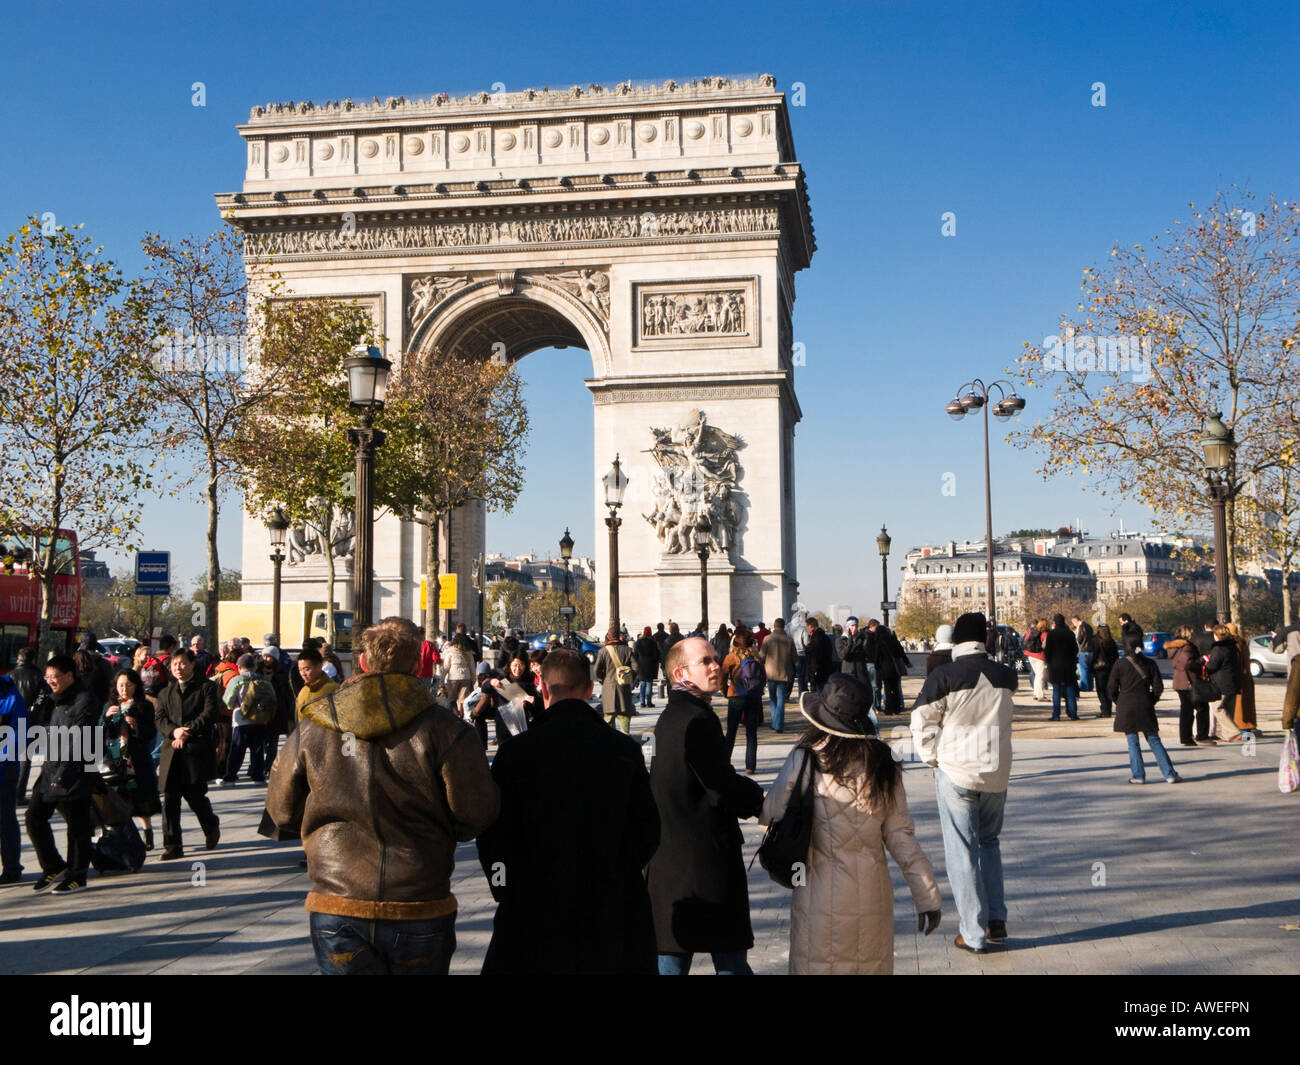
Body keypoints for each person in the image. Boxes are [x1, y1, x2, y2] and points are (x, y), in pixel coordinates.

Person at [267, 616, 499, 975]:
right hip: (418, 898)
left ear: (362, 662)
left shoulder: (313, 727)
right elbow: (475, 813)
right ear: (417, 663)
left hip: (337, 899)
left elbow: (281, 812)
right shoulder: (446, 730)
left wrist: (320, 824)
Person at [476, 649, 659, 973]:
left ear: (543, 689)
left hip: (533, 908)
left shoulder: (515, 755)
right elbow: (648, 830)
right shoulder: (624, 750)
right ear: (590, 689)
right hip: (611, 908)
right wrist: (621, 871)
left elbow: (493, 835)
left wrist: (503, 885)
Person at [761, 673, 941, 973]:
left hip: (814, 890)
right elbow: (901, 837)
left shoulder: (805, 758)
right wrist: (927, 898)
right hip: (872, 895)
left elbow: (770, 815)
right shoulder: (883, 763)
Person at [647, 636, 764, 975]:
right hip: (704, 863)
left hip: (672, 864)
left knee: (671, 959)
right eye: (707, 661)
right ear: (681, 673)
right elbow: (720, 783)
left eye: (716, 658)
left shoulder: (672, 716)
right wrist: (763, 803)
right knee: (729, 963)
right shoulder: (696, 720)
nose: (718, 666)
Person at [910, 612, 1015, 955]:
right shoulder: (1005, 676)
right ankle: (995, 919)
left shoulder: (945, 676)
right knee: (989, 843)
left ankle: (973, 931)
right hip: (996, 770)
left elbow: (920, 720)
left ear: (956, 640)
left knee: (962, 850)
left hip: (957, 769)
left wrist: (930, 757)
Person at [25, 655, 99, 893]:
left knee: (77, 827)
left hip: (75, 771)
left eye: (55, 677)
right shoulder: (54, 698)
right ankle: (53, 865)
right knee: (34, 817)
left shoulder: (85, 700)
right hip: (51, 769)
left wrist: (63, 775)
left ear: (69, 675)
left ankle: (77, 876)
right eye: (48, 677)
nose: (51, 681)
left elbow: (79, 741)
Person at [154, 649, 222, 860]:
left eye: (183, 663)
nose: (179, 668)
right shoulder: (166, 692)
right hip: (172, 751)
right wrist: (174, 731)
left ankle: (211, 826)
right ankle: (173, 845)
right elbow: (160, 719)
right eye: (175, 664)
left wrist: (188, 731)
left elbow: (209, 714)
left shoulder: (206, 687)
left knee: (195, 797)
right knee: (170, 801)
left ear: (192, 664)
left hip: (195, 751)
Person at [1108, 635, 1180, 784]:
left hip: (1126, 705)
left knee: (1132, 742)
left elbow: (1111, 688)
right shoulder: (1150, 663)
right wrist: (1151, 700)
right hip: (1145, 703)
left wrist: (1118, 701)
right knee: (1154, 740)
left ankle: (1138, 775)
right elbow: (1158, 687)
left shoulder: (1120, 664)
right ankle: (1169, 773)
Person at [102, 668, 161, 849]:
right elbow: (98, 732)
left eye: (128, 685)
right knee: (118, 800)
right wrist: (105, 718)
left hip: (136, 760)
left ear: (136, 686)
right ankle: (121, 837)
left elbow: (151, 732)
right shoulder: (110, 705)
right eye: (121, 685)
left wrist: (136, 727)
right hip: (115, 761)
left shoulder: (144, 706)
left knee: (141, 800)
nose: (124, 689)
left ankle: (147, 832)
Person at [221, 654, 271, 784]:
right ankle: (258, 776)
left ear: (239, 666)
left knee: (237, 749)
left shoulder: (237, 679)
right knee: (258, 749)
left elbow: (228, 701)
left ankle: (230, 777)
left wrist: (234, 706)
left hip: (240, 720)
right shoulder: (264, 680)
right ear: (254, 666)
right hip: (260, 720)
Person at [721, 630, 764, 774]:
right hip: (753, 697)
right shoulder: (756, 657)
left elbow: (722, 677)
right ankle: (750, 766)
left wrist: (725, 691)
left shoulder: (731, 657)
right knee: (751, 733)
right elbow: (763, 677)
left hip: (736, 695)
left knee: (731, 732)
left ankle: (725, 763)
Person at [0, 674, 28, 883]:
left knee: (5, 820)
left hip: (4, 770)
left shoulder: (11, 696)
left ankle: (12, 868)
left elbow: (20, 734)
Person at [1165, 626, 1209, 744]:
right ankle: (1201, 735)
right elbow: (1187, 663)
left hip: (1180, 681)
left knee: (1186, 710)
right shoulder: (1188, 647)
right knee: (1201, 708)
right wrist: (1201, 660)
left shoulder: (1176, 647)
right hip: (1189, 681)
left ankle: (1186, 737)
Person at [1206, 624, 1244, 742]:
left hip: (1221, 683)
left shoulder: (1218, 649)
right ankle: (1228, 735)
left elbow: (1212, 666)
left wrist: (1206, 664)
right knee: (1228, 709)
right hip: (1234, 681)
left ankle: (1234, 732)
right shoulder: (1233, 647)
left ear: (1217, 635)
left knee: (1218, 708)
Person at [594, 628, 635, 734]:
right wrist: (630, 678)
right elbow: (636, 667)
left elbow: (596, 669)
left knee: (608, 721)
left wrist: (603, 679)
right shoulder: (628, 650)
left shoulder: (603, 651)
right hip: (624, 687)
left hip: (608, 687)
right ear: (620, 636)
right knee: (625, 723)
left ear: (608, 636)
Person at [757, 617, 795, 733]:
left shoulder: (767, 639)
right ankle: (778, 724)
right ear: (784, 626)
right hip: (784, 672)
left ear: (774, 626)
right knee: (781, 699)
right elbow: (794, 658)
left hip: (771, 672)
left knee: (772, 698)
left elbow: (761, 656)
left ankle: (775, 722)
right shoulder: (789, 640)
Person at [1044, 614, 1080, 721]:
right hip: (1068, 664)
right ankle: (1073, 713)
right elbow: (1075, 649)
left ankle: (1056, 714)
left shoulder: (1052, 634)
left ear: (1055, 622)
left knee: (1056, 690)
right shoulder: (1070, 634)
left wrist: (1049, 661)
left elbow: (1048, 650)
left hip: (1055, 665)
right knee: (1070, 689)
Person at [1225, 622, 1258, 735]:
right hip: (1246, 678)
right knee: (1247, 705)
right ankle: (1247, 728)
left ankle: (1242, 729)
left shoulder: (1234, 644)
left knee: (1239, 707)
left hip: (1239, 678)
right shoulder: (1242, 642)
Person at [440, 633, 476, 717]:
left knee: (452, 699)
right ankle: (461, 715)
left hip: (453, 677)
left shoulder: (450, 651)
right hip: (466, 677)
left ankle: (456, 715)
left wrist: (442, 680)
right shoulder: (468, 653)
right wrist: (473, 680)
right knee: (463, 700)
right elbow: (472, 668)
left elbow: (445, 667)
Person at [1092, 624, 1120, 720]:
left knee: (1101, 690)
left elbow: (1094, 654)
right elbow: (1116, 655)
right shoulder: (1111, 641)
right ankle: (1108, 708)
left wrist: (1091, 665)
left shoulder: (1096, 641)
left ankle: (1105, 710)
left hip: (1099, 668)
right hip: (1110, 667)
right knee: (1109, 689)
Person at [633, 626, 661, 708]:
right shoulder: (653, 642)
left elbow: (635, 655)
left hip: (641, 665)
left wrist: (638, 663)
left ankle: (642, 702)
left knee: (642, 684)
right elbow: (656, 655)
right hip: (650, 665)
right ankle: (649, 702)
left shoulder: (638, 642)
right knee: (649, 684)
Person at [805, 616, 833, 691]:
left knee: (817, 691)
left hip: (818, 670)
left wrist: (814, 670)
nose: (806, 629)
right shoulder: (824, 637)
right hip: (825, 668)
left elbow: (816, 655)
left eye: (806, 627)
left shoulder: (816, 638)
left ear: (811, 626)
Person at [1023, 619, 1048, 702]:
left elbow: (1024, 641)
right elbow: (1046, 646)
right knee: (1040, 675)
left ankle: (1036, 693)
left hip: (1030, 654)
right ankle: (1040, 695)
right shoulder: (1045, 633)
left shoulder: (1031, 632)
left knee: (1037, 675)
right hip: (1039, 655)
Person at [1072, 615, 1097, 693]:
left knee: (1083, 669)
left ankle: (1084, 686)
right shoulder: (1089, 626)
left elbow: (1079, 639)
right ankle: (1090, 686)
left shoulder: (1080, 627)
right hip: (1090, 650)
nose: (1074, 625)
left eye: (1073, 623)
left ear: (1076, 621)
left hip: (1083, 650)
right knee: (1089, 669)